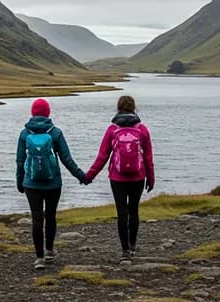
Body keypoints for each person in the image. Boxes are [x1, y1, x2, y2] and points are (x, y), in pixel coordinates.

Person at [16, 98, 87, 270]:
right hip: (53, 183)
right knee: (51, 216)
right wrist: (82, 176)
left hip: (31, 184)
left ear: (33, 112)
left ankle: (39, 258)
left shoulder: (25, 134)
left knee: (36, 218)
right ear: (48, 113)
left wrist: (20, 181)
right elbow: (66, 159)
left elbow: (20, 161)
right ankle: (49, 251)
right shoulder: (55, 133)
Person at [84, 95, 155, 265]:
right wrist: (151, 179)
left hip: (117, 178)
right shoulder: (142, 129)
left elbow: (102, 157)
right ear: (134, 108)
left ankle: (125, 251)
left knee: (122, 213)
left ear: (118, 108)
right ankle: (132, 245)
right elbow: (148, 158)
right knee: (134, 211)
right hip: (138, 176)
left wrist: (88, 176)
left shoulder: (112, 130)